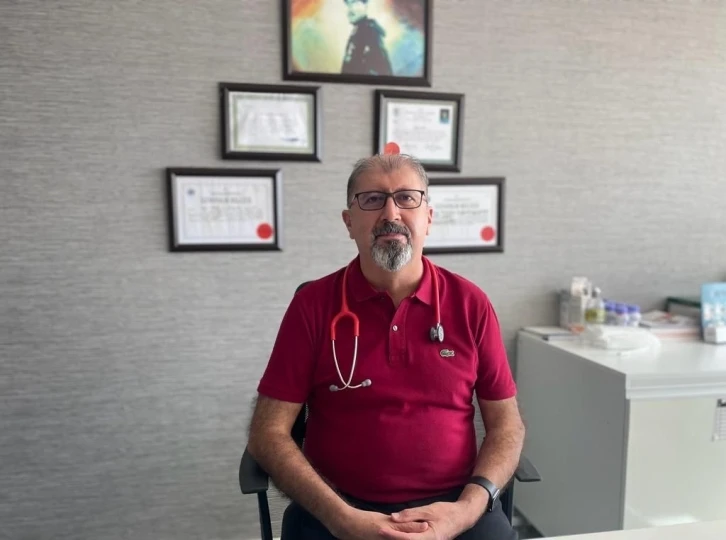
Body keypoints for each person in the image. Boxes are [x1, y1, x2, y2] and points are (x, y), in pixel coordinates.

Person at [247, 150, 526, 539]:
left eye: (407, 198)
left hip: (453, 507)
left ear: (428, 217)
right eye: (373, 199)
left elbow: (507, 427)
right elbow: (268, 432)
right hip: (337, 508)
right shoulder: (312, 307)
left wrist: (467, 509)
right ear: (349, 222)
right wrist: (341, 517)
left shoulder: (470, 304)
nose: (391, 213)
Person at [341, 0, 393, 76]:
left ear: (365, 5)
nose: (350, 9)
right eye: (348, 4)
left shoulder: (370, 33)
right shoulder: (358, 32)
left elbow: (382, 72)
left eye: (355, 3)